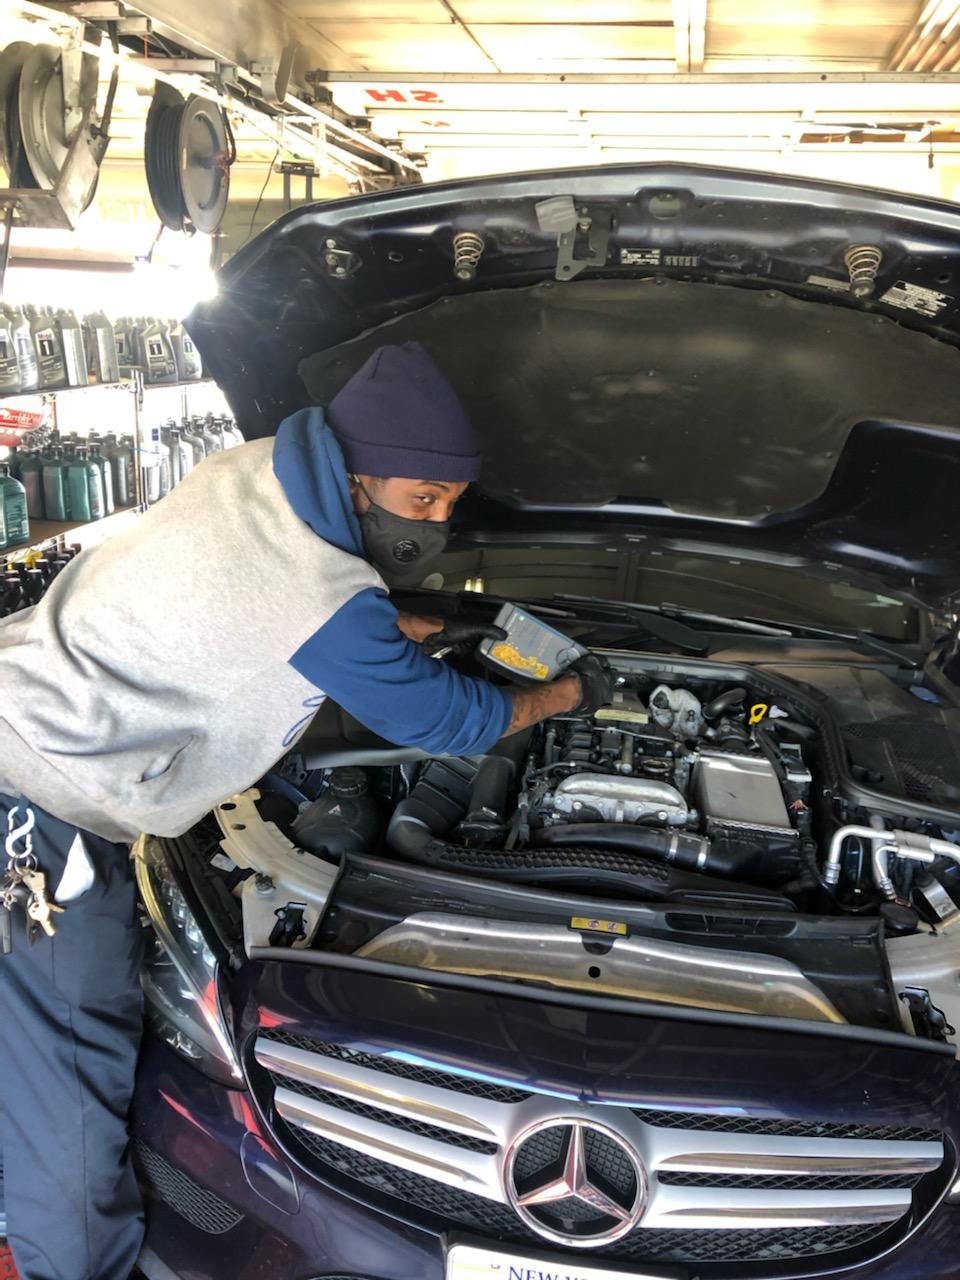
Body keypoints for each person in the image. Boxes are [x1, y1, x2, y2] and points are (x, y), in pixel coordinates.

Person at [0, 341, 612, 1280]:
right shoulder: (306, 587)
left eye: (452, 503)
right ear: (362, 478)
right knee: (67, 1091)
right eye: (422, 502)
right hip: (37, 817)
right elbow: (445, 719)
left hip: (33, 725)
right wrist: (564, 699)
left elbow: (261, 603)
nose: (440, 520)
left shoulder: (250, 472)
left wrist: (396, 621)